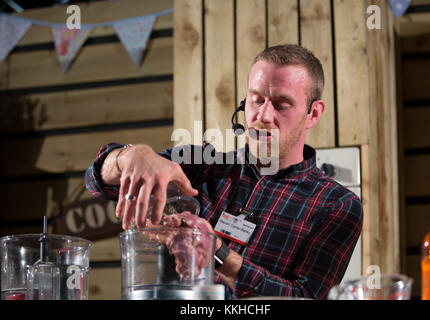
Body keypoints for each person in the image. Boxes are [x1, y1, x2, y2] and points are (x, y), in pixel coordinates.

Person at [85, 44, 363, 300]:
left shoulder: (337, 205)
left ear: (313, 114)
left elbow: (304, 297)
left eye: (281, 104)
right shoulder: (201, 164)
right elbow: (98, 180)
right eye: (256, 100)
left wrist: (217, 254)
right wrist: (131, 156)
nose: (263, 116)